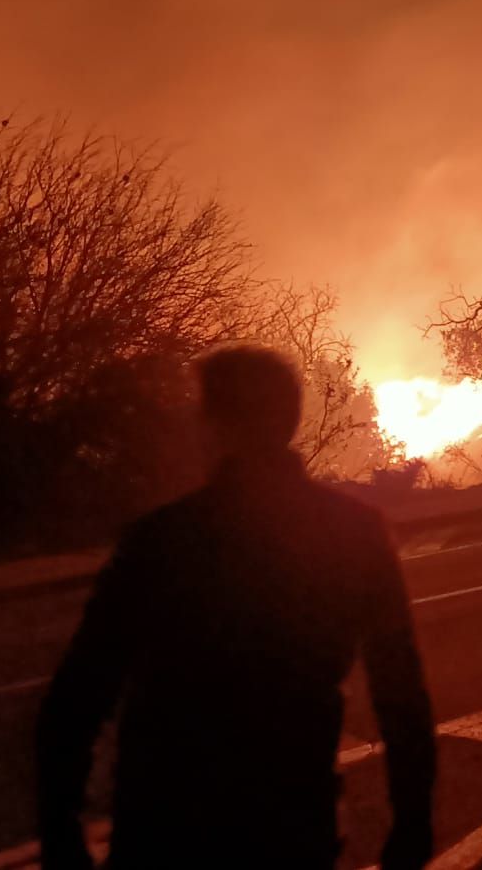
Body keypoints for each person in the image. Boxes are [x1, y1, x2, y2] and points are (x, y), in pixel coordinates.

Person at [36, 344, 436, 870]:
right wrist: (412, 824)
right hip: (290, 829)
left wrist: (63, 839)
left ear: (218, 426)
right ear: (287, 420)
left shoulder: (161, 541)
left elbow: (77, 700)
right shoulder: (354, 534)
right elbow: (400, 695)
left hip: (163, 834)